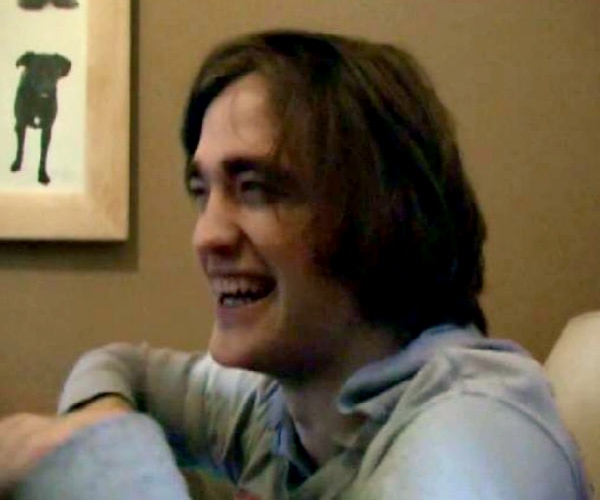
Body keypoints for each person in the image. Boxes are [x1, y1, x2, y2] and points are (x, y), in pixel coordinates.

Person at [0, 30, 591, 500]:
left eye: (255, 188)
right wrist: (98, 419)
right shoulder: (278, 408)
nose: (206, 235)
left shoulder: (475, 442)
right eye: (202, 192)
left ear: (382, 213)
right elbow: (120, 365)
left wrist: (91, 465)